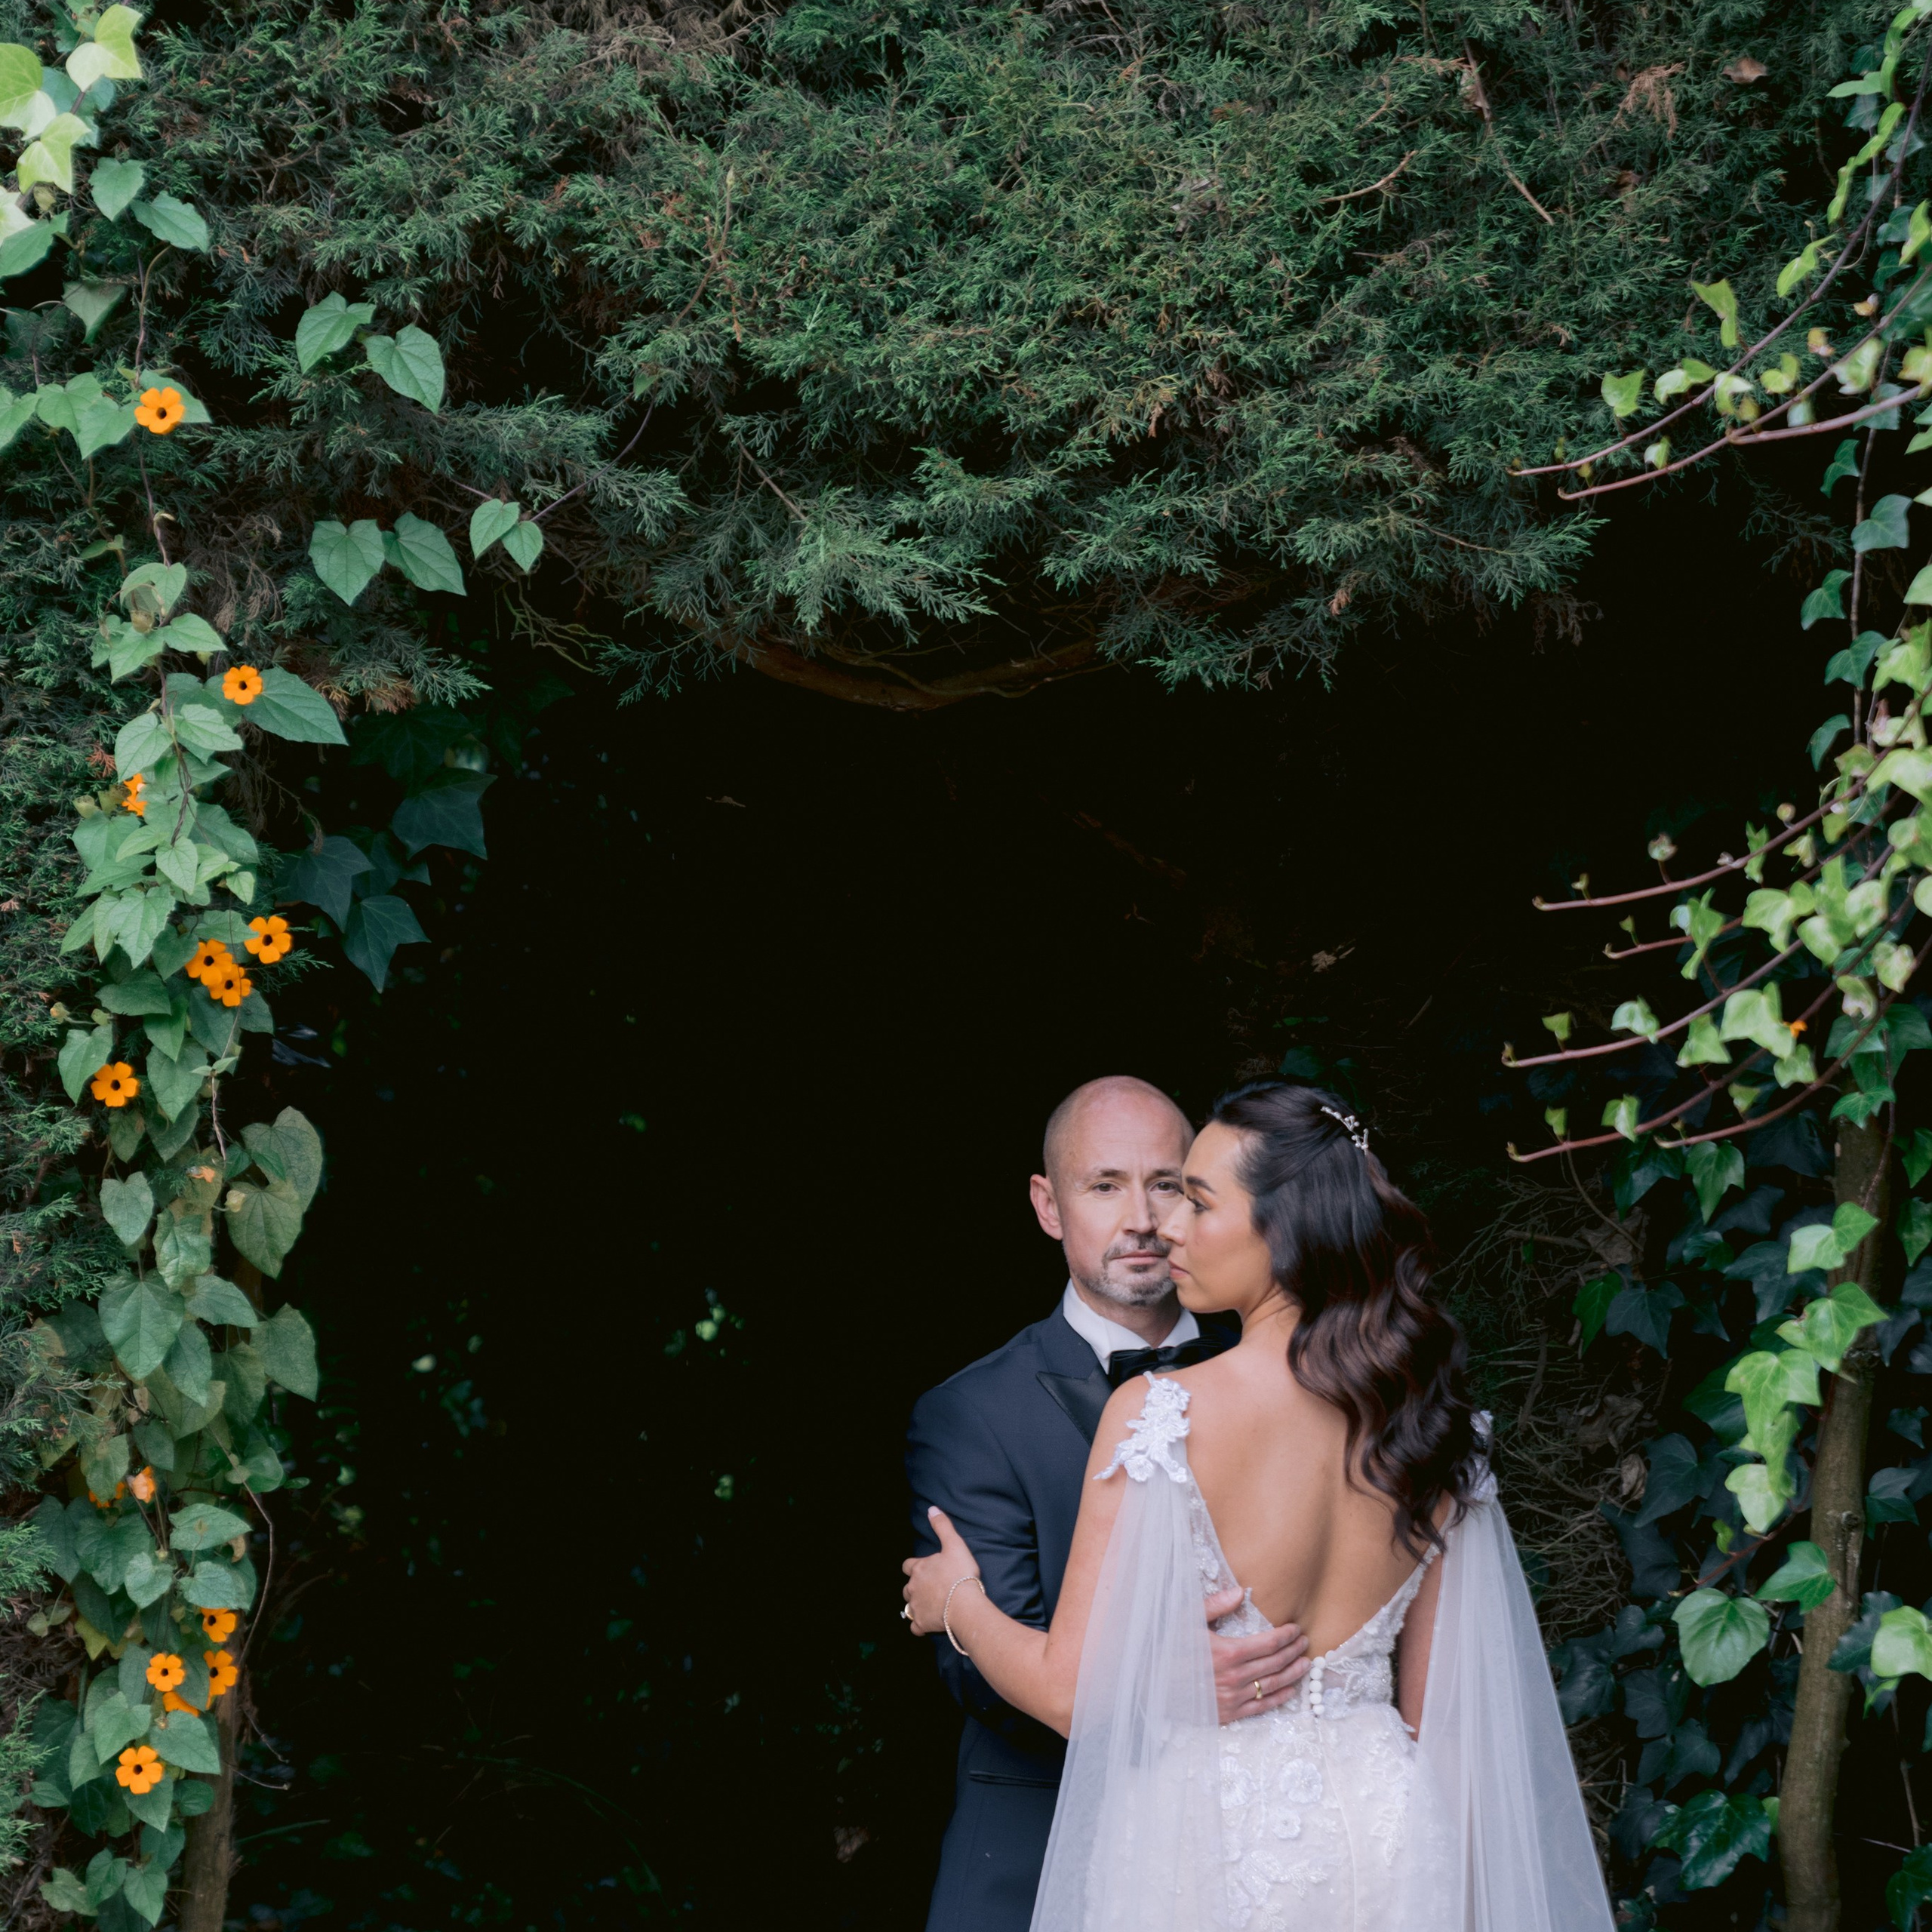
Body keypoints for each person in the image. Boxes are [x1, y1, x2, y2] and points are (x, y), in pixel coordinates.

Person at [903, 1080, 1614, 1932]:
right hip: (1392, 1836)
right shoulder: (1433, 1431)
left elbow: (1069, 1690)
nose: (1163, 1225)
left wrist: (957, 1604)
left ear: (1282, 1228)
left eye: (1193, 1200)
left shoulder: (1163, 1413)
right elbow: (1441, 1720)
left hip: (1208, 1846)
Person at [904, 1076, 1312, 1932]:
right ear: (1047, 1205)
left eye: (1166, 1184)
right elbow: (976, 1670)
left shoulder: (1300, 1375)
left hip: (1269, 1836)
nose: (1140, 1217)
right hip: (1041, 1848)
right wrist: (1159, 1682)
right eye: (1104, 1185)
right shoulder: (972, 1414)